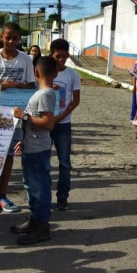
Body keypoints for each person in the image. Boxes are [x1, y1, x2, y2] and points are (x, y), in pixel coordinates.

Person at [0, 22, 34, 215]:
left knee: (8, 155)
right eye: (7, 37)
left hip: (14, 115)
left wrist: (15, 84)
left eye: (15, 38)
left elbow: (31, 86)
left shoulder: (26, 59)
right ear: (1, 37)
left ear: (19, 39)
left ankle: (2, 195)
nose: (11, 41)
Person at [9, 56, 58, 245]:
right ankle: (35, 220)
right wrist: (24, 140)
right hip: (32, 146)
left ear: (36, 73)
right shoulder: (43, 93)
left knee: (39, 187)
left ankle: (42, 227)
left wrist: (24, 116)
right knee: (31, 186)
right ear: (54, 73)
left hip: (39, 150)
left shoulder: (45, 94)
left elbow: (47, 123)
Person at [49, 39, 82, 211]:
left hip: (63, 125)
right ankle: (44, 197)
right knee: (43, 162)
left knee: (64, 163)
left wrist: (60, 117)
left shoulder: (72, 75)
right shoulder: (44, 72)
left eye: (64, 56)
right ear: (51, 55)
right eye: (57, 56)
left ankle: (62, 197)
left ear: (68, 55)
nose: (61, 59)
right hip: (45, 123)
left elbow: (75, 101)